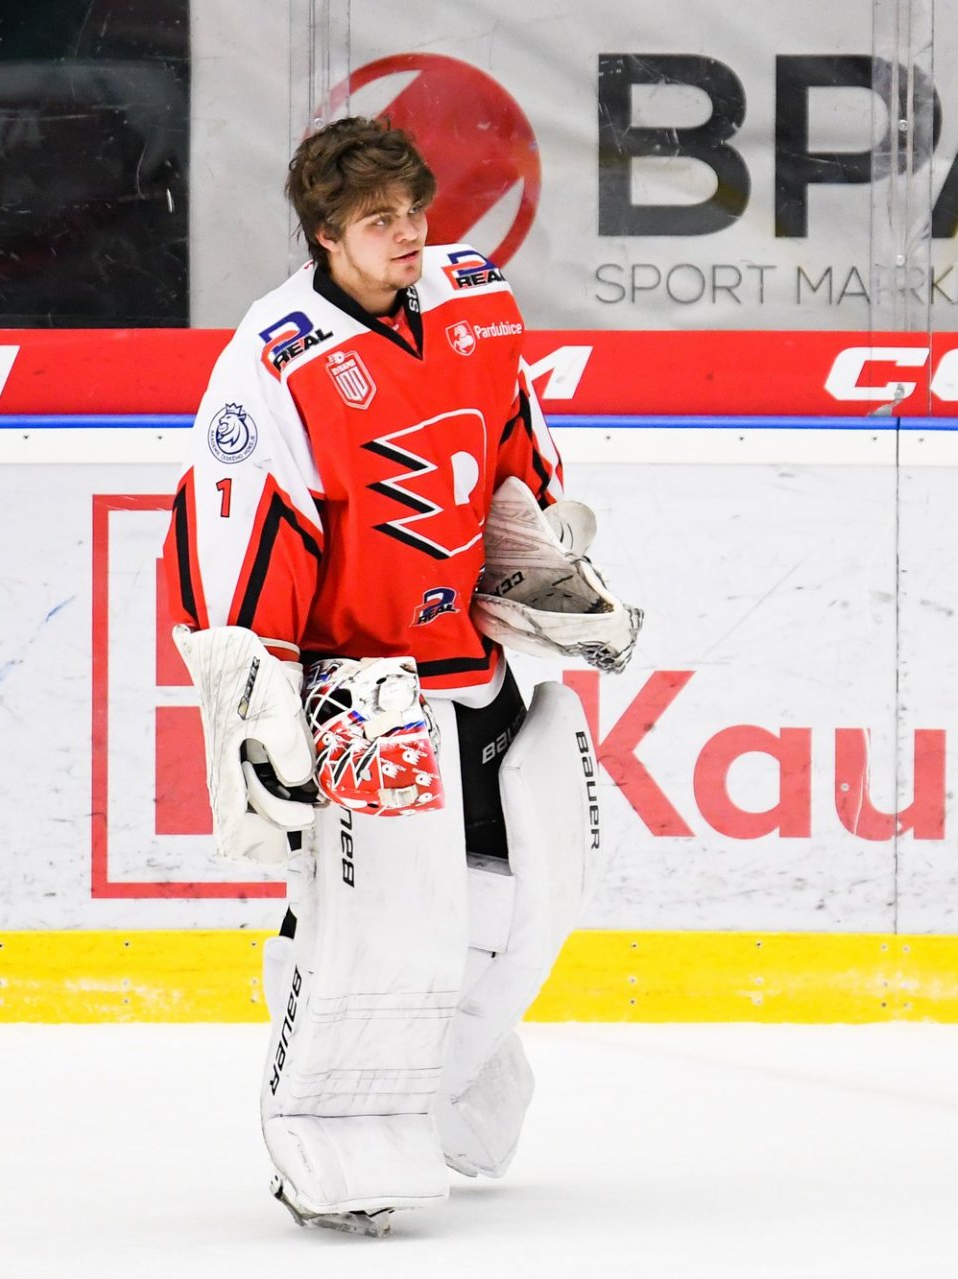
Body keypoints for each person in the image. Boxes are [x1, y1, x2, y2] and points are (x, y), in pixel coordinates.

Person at [160, 116, 641, 1236]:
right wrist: (256, 697)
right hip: (361, 684)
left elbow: (514, 450)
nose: (410, 233)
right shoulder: (274, 357)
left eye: (416, 211)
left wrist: (546, 555)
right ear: (325, 235)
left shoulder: (474, 297)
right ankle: (334, 1121)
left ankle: (443, 1065)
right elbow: (240, 526)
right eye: (380, 220)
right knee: (379, 914)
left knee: (532, 880)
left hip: (469, 661)